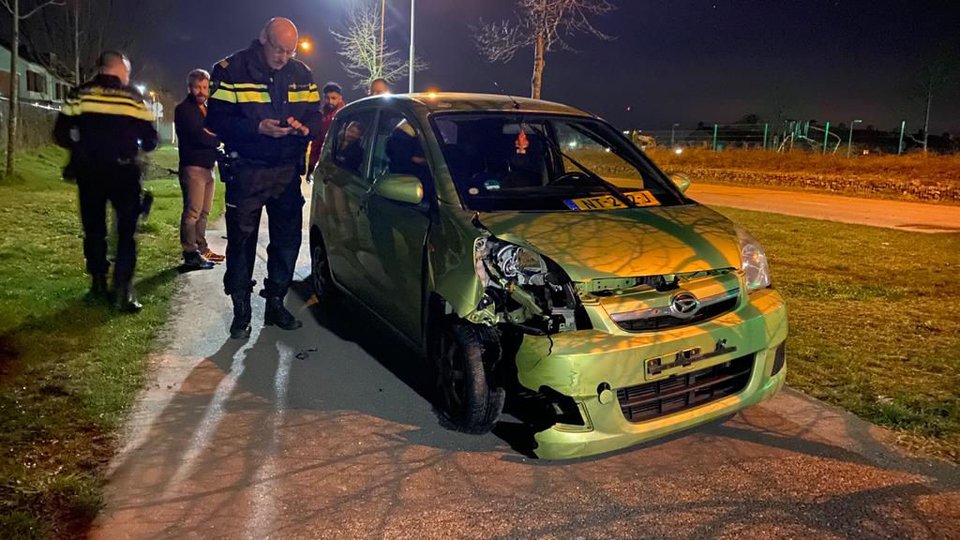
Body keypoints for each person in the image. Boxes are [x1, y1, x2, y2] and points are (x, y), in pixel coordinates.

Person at [206, 17, 321, 339]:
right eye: (278, 48)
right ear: (262, 38)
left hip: (286, 170)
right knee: (241, 243)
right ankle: (241, 310)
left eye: (290, 50)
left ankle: (275, 302)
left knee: (287, 241)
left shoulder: (303, 74)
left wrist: (304, 128)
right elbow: (217, 118)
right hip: (248, 169)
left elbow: (314, 113)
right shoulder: (230, 70)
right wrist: (257, 127)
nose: (283, 57)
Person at [53, 50, 158, 312]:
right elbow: (151, 139)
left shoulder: (79, 94)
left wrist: (82, 147)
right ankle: (123, 289)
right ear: (120, 69)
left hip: (89, 173)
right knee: (125, 232)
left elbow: (60, 133)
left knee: (94, 229)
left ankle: (98, 282)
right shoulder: (133, 96)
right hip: (125, 173)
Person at [175, 68, 223, 270]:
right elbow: (199, 136)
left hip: (208, 166)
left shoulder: (207, 108)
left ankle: (202, 248)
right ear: (190, 87)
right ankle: (189, 252)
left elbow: (216, 130)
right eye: (197, 87)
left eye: (205, 87)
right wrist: (217, 137)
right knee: (192, 212)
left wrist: (213, 134)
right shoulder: (184, 110)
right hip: (193, 166)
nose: (202, 91)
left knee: (204, 212)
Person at [307, 81, 345, 177]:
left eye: (333, 98)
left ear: (340, 98)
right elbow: (316, 142)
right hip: (322, 165)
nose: (330, 101)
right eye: (327, 98)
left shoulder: (345, 117)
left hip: (338, 167)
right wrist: (311, 165)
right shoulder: (321, 116)